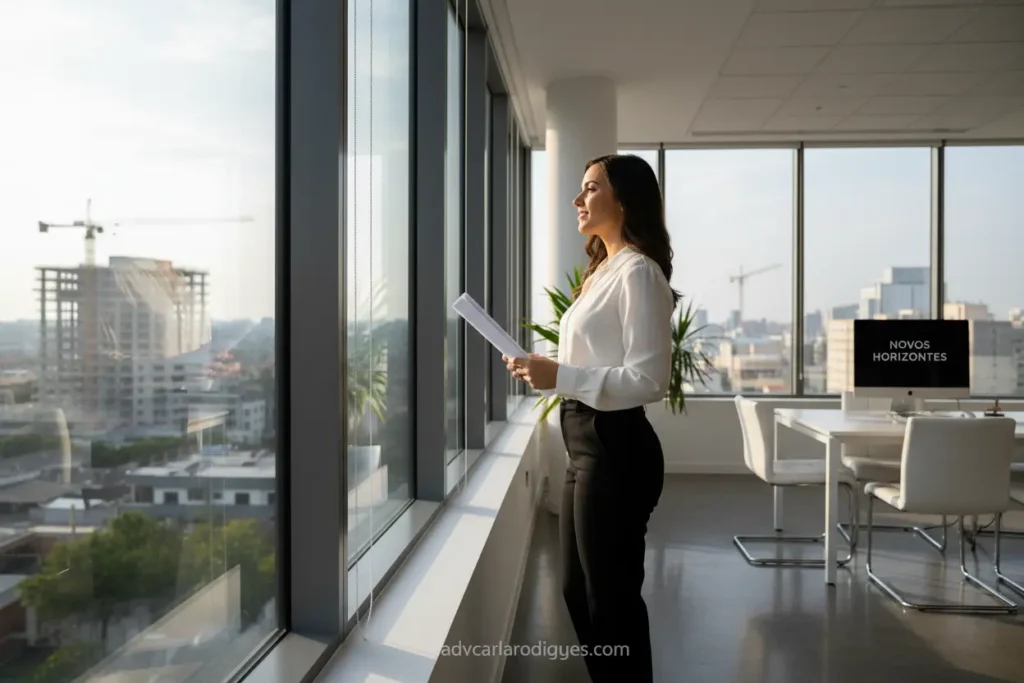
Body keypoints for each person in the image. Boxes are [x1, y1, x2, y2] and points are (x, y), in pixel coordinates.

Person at [503, 153, 678, 683]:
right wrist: (545, 370)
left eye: (591, 188)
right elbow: (589, 359)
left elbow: (649, 379)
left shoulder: (640, 274)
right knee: (577, 591)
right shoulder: (601, 270)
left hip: (616, 447)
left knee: (612, 602)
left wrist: (563, 377)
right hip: (585, 445)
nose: (577, 200)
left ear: (624, 199)